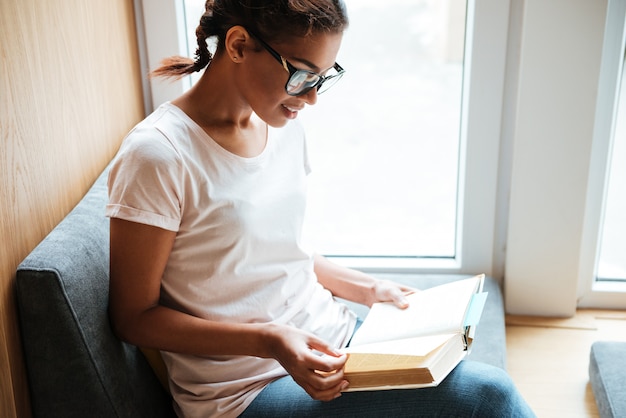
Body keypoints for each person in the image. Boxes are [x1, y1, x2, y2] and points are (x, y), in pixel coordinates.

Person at [106, 1, 536, 417]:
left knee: (457, 368)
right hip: (248, 390)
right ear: (237, 45)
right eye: (301, 75)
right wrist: (271, 340)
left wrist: (369, 290)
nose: (310, 98)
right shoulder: (159, 155)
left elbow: (278, 254)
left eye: (323, 78)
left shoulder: (279, 125)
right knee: (487, 396)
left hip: (335, 340)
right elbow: (133, 318)